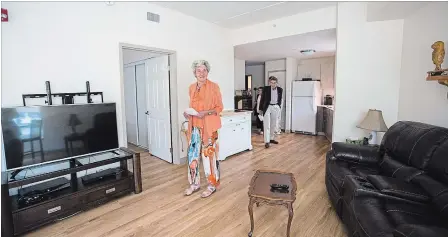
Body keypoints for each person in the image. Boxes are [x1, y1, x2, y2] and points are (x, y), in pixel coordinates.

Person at [183, 60, 223, 198]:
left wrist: (205, 113)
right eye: (199, 70)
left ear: (208, 72)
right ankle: (194, 183)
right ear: (194, 72)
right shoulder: (191, 88)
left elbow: (219, 107)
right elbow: (193, 107)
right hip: (194, 126)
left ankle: (212, 185)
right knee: (192, 156)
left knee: (209, 157)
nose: (202, 73)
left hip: (209, 127)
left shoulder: (214, 87)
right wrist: (187, 113)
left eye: (204, 70)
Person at [259, 76, 283, 148]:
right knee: (267, 124)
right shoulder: (265, 89)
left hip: (275, 107)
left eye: (274, 83)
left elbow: (280, 99)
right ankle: (267, 141)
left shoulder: (280, 89)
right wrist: (260, 110)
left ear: (277, 83)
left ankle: (271, 138)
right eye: (271, 83)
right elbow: (262, 99)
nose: (273, 84)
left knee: (273, 124)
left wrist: (278, 106)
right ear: (269, 82)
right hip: (267, 107)